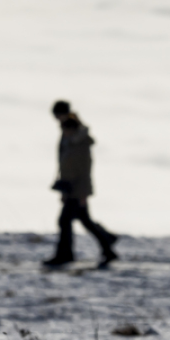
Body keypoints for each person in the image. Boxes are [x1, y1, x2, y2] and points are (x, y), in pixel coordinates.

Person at [45, 101, 117, 269]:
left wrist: (82, 193)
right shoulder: (70, 135)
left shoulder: (79, 140)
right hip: (71, 188)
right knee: (83, 221)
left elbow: (84, 169)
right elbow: (65, 164)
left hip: (77, 189)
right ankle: (107, 245)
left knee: (65, 221)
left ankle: (65, 255)